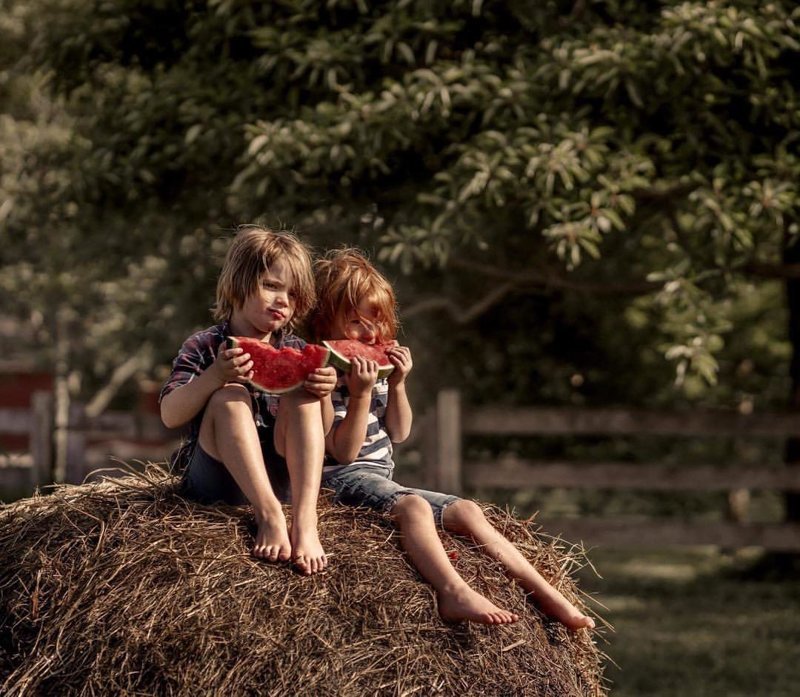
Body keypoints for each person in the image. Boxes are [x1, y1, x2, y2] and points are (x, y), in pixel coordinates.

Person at [311, 248, 595, 628]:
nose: (370, 334)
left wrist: (397, 385)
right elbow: (343, 453)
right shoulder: (321, 378)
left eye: (377, 321)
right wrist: (360, 395)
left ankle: (545, 593)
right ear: (323, 325)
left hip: (380, 479)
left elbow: (399, 431)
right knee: (413, 507)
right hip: (339, 483)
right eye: (356, 323)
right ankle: (452, 591)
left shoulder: (374, 372)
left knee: (468, 511)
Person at [160, 226, 337, 575]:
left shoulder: (299, 350)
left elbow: (324, 430)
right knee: (230, 396)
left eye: (293, 293)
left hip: (283, 474)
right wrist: (214, 377)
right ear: (238, 284)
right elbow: (170, 414)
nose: (283, 300)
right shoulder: (205, 345)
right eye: (271, 286)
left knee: (303, 396)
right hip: (217, 478)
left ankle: (304, 520)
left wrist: (324, 396)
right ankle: (270, 515)